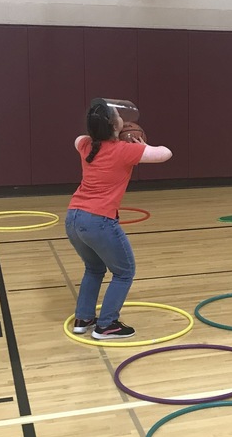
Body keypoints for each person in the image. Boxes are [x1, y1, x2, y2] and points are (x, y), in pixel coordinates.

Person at [65, 98, 172, 339]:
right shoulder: (125, 150)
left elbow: (79, 138)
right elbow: (166, 153)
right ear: (115, 125)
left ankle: (84, 318)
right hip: (98, 220)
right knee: (124, 272)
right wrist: (143, 145)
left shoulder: (84, 145)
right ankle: (107, 324)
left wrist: (101, 132)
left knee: (94, 268)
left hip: (73, 218)